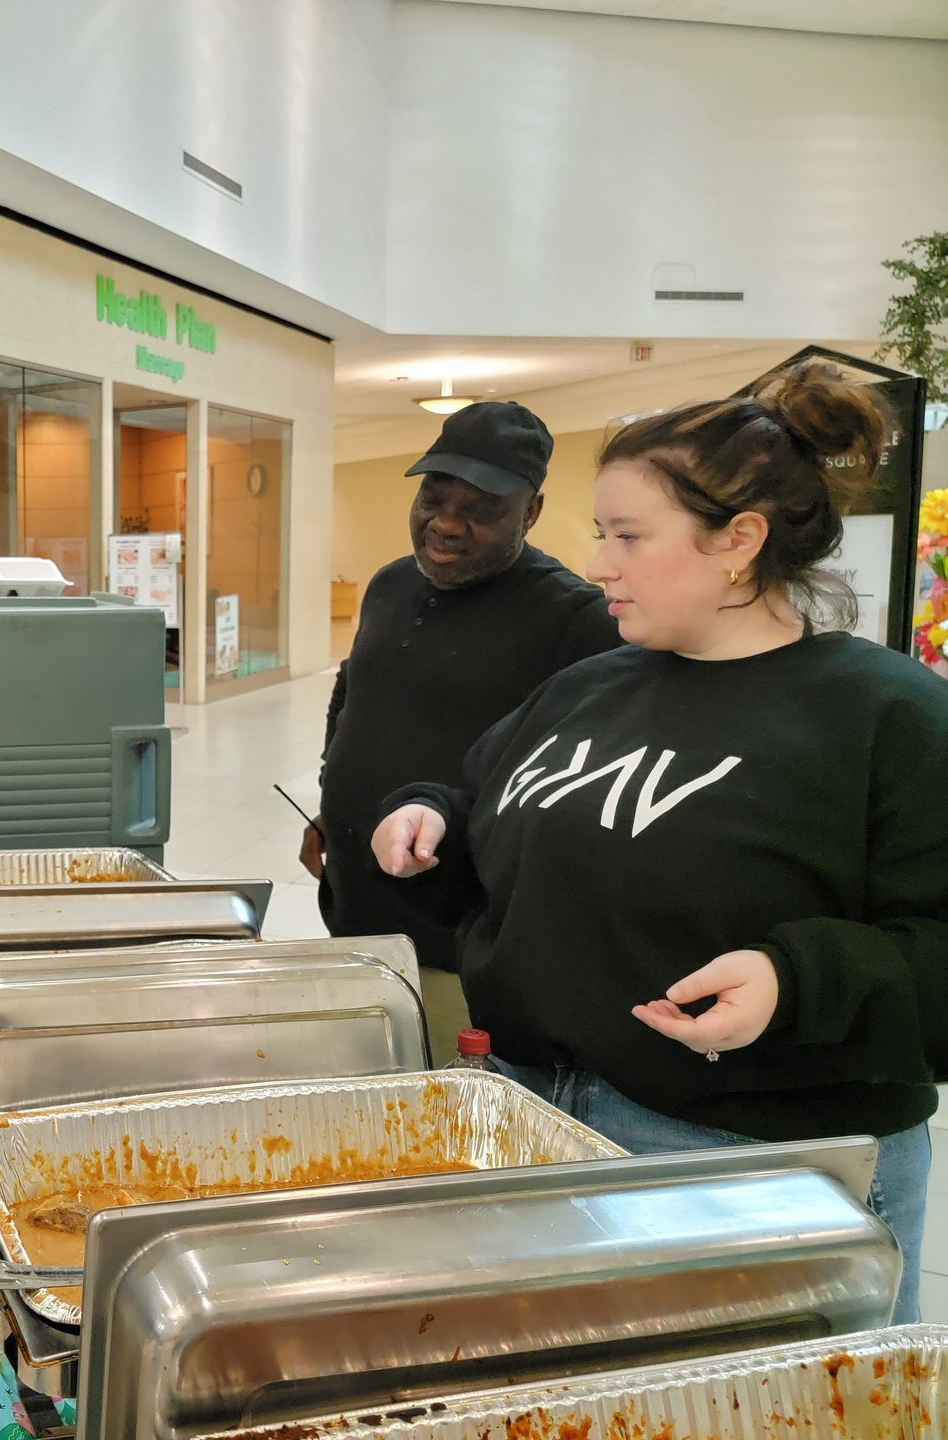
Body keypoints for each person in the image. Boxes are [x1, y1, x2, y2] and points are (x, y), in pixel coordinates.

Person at [372, 361, 948, 1323]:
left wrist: (795, 981)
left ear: (739, 542)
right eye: (601, 534)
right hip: (539, 1126)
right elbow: (492, 816)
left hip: (748, 1172)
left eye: (629, 537)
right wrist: (435, 817)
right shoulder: (589, 688)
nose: (599, 563)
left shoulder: (888, 717)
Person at [305, 401, 619, 1060]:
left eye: (480, 509)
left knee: (441, 1114)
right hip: (356, 907)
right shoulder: (390, 584)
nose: (446, 524)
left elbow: (579, 789)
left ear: (530, 512)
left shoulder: (574, 620)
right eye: (433, 497)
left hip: (458, 936)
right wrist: (328, 808)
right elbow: (353, 694)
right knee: (362, 1086)